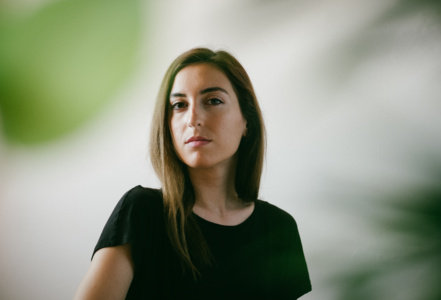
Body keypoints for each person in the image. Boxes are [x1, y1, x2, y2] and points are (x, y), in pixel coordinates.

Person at [74, 48, 311, 300]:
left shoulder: (278, 229)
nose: (193, 118)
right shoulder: (142, 212)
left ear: (246, 121)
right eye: (179, 105)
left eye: (213, 101)